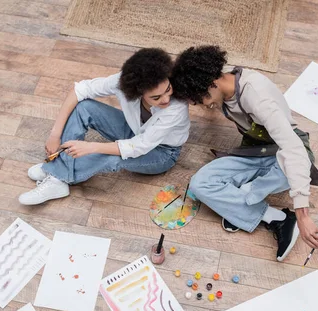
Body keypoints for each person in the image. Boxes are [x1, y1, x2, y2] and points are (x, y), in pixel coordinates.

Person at [170, 45, 318, 261]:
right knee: (199, 184)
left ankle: (242, 200)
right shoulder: (224, 84)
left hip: (288, 150)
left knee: (291, 171)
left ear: (210, 84)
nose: (205, 107)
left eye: (201, 101)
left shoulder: (256, 96)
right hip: (255, 151)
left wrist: (302, 214)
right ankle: (277, 217)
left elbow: (293, 149)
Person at [19, 48, 190, 205]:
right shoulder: (123, 82)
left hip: (162, 152)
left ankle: (57, 176)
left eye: (168, 89)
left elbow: (139, 146)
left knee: (114, 157)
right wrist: (54, 135)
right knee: (84, 107)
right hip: (133, 130)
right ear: (138, 92)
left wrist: (91, 146)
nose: (166, 99)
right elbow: (80, 90)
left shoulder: (176, 108)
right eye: (156, 97)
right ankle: (58, 170)